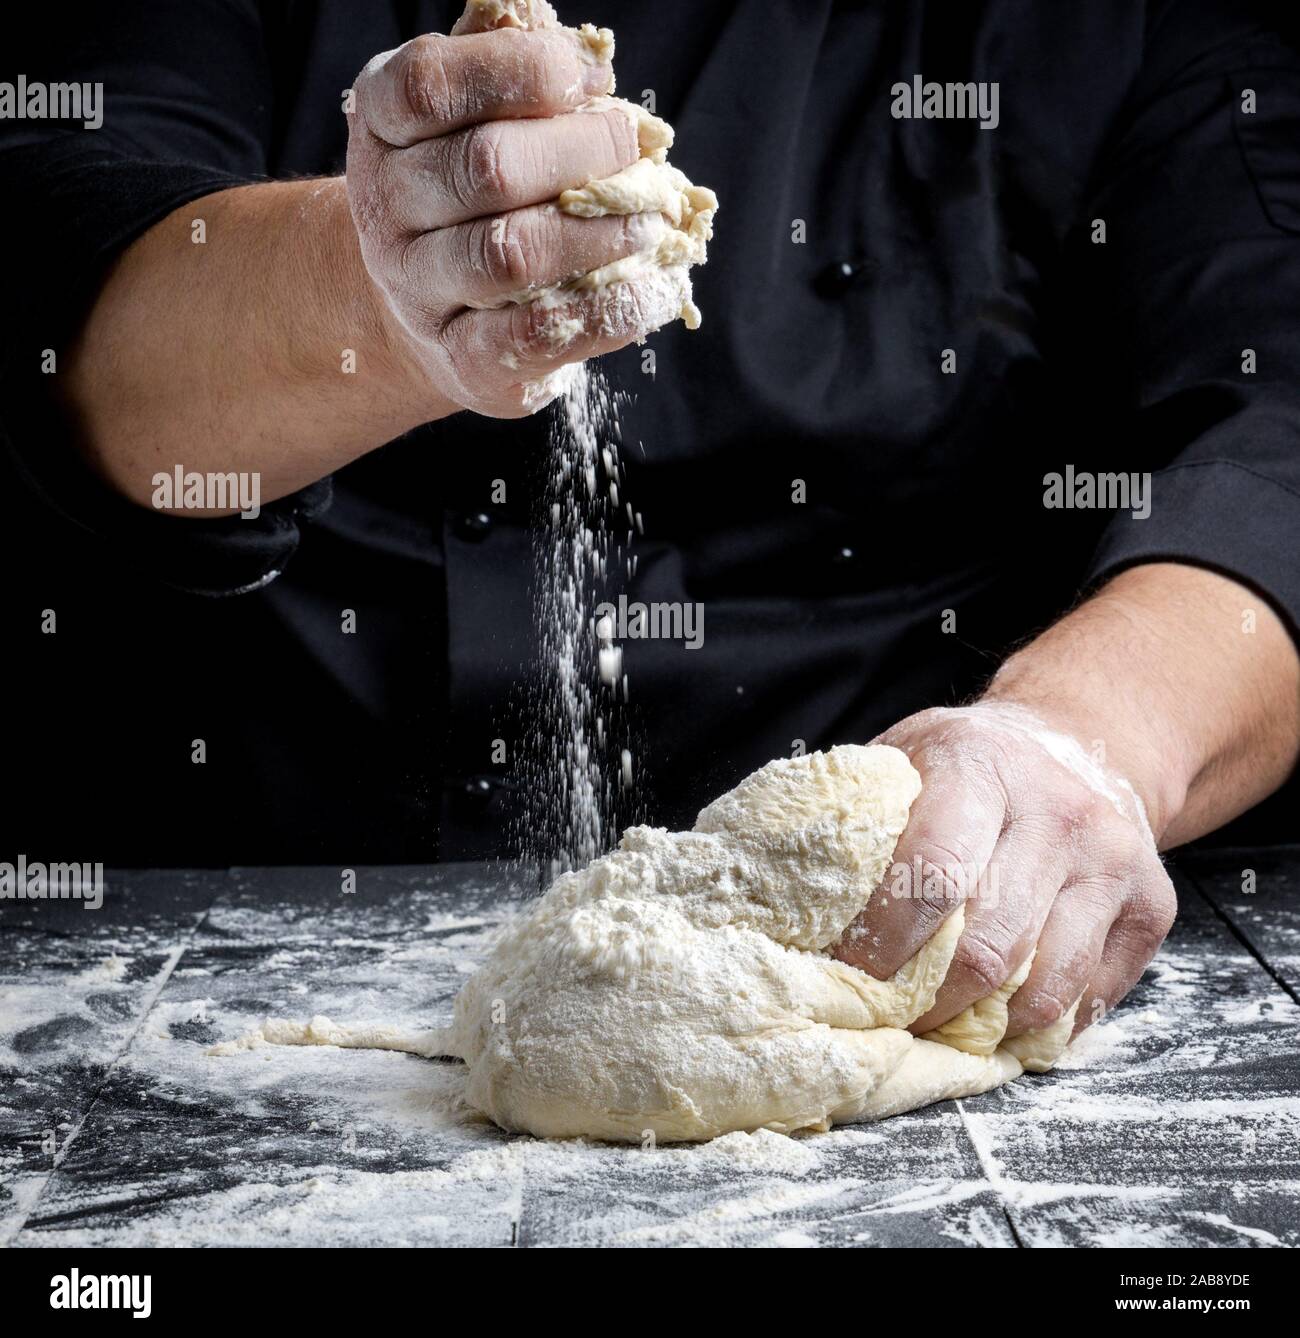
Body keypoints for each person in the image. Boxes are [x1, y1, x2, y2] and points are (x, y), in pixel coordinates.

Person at [2, 1, 1297, 1047]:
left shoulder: (1107, 30)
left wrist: (1085, 739)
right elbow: (61, 286)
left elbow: (1272, 429)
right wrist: (369, 292)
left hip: (888, 938)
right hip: (222, 965)